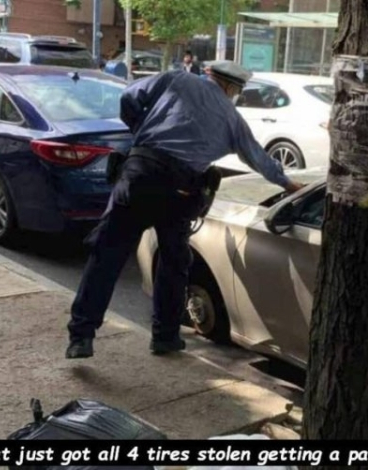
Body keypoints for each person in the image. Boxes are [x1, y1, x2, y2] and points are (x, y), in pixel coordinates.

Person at [65, 60, 304, 359]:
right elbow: (260, 159)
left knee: (106, 257)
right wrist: (292, 185)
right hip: (180, 191)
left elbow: (128, 98)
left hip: (140, 177)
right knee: (174, 263)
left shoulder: (176, 79)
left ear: (208, 75)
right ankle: (165, 337)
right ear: (232, 88)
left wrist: (141, 130)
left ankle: (81, 336)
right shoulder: (233, 119)